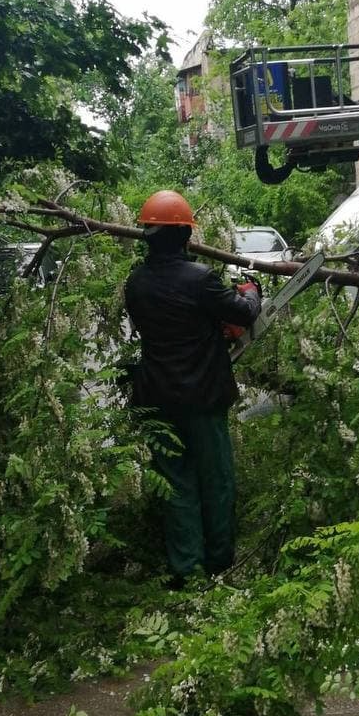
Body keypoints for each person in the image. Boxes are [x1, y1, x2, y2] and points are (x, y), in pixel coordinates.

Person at [124, 189, 261, 587]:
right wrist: (250, 289)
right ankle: (219, 562)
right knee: (216, 480)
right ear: (185, 235)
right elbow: (243, 313)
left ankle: (186, 570)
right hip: (203, 397)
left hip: (158, 399)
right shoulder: (201, 280)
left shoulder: (135, 284)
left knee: (177, 483)